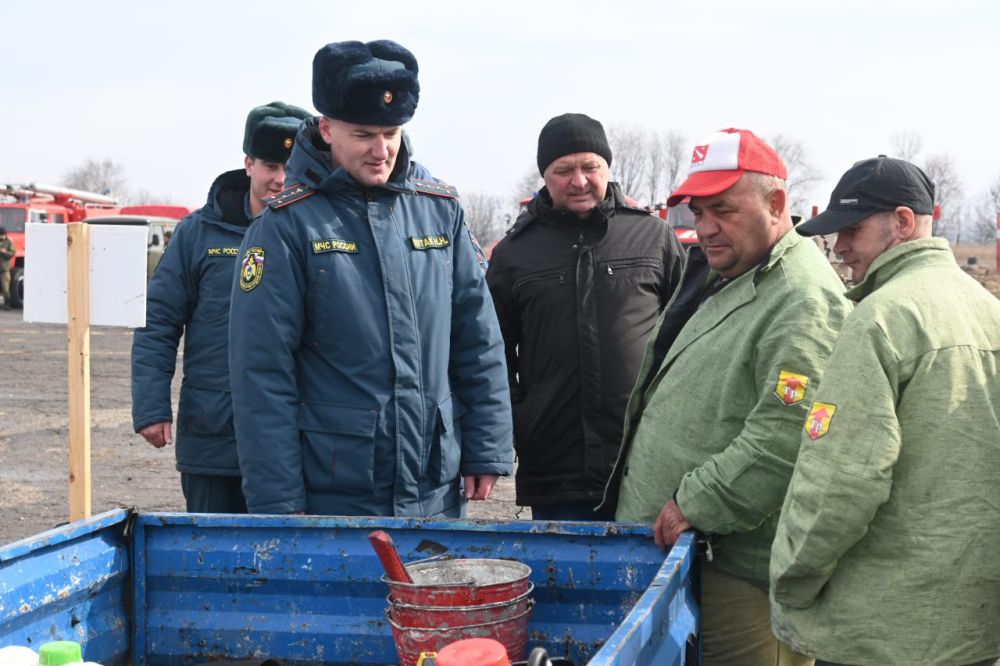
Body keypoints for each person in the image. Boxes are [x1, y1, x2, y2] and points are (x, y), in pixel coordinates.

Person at [227, 40, 512, 516]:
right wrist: (278, 505)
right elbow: (262, 376)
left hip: (433, 491)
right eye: (363, 135)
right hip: (335, 495)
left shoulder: (440, 213)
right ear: (327, 129)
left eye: (391, 132)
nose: (381, 151)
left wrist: (486, 446)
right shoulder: (284, 227)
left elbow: (477, 339)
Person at [601, 128, 851, 664]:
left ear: (777, 203)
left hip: (739, 571)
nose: (705, 227)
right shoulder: (736, 273)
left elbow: (784, 437)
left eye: (724, 210)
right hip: (693, 557)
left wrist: (696, 502)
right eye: (697, 211)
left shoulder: (802, 299)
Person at [770, 156, 1000, 666]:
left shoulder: (880, 318)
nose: (841, 247)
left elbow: (843, 479)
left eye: (851, 229)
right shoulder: (989, 313)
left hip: (879, 632)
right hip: (974, 628)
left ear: (901, 222)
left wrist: (791, 575)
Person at [486, 113, 685, 520]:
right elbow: (491, 353)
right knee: (564, 578)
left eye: (589, 167)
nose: (579, 180)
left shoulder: (653, 237)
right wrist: (522, 417)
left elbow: (690, 333)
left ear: (606, 169)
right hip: (555, 464)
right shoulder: (513, 254)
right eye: (564, 170)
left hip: (643, 459)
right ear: (545, 175)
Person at [130, 101, 310, 513]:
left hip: (296, 438)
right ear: (248, 163)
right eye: (269, 166)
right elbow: (157, 321)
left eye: (290, 166)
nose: (280, 179)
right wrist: (151, 406)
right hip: (214, 434)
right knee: (212, 560)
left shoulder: (320, 234)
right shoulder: (198, 234)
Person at [0, 228, 14, 310]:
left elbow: (13, 253)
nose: (2, 236)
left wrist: (4, 252)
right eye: (1, 235)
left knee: (5, 287)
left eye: (3, 235)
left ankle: (7, 304)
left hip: (4, 269)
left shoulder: (8, 242)